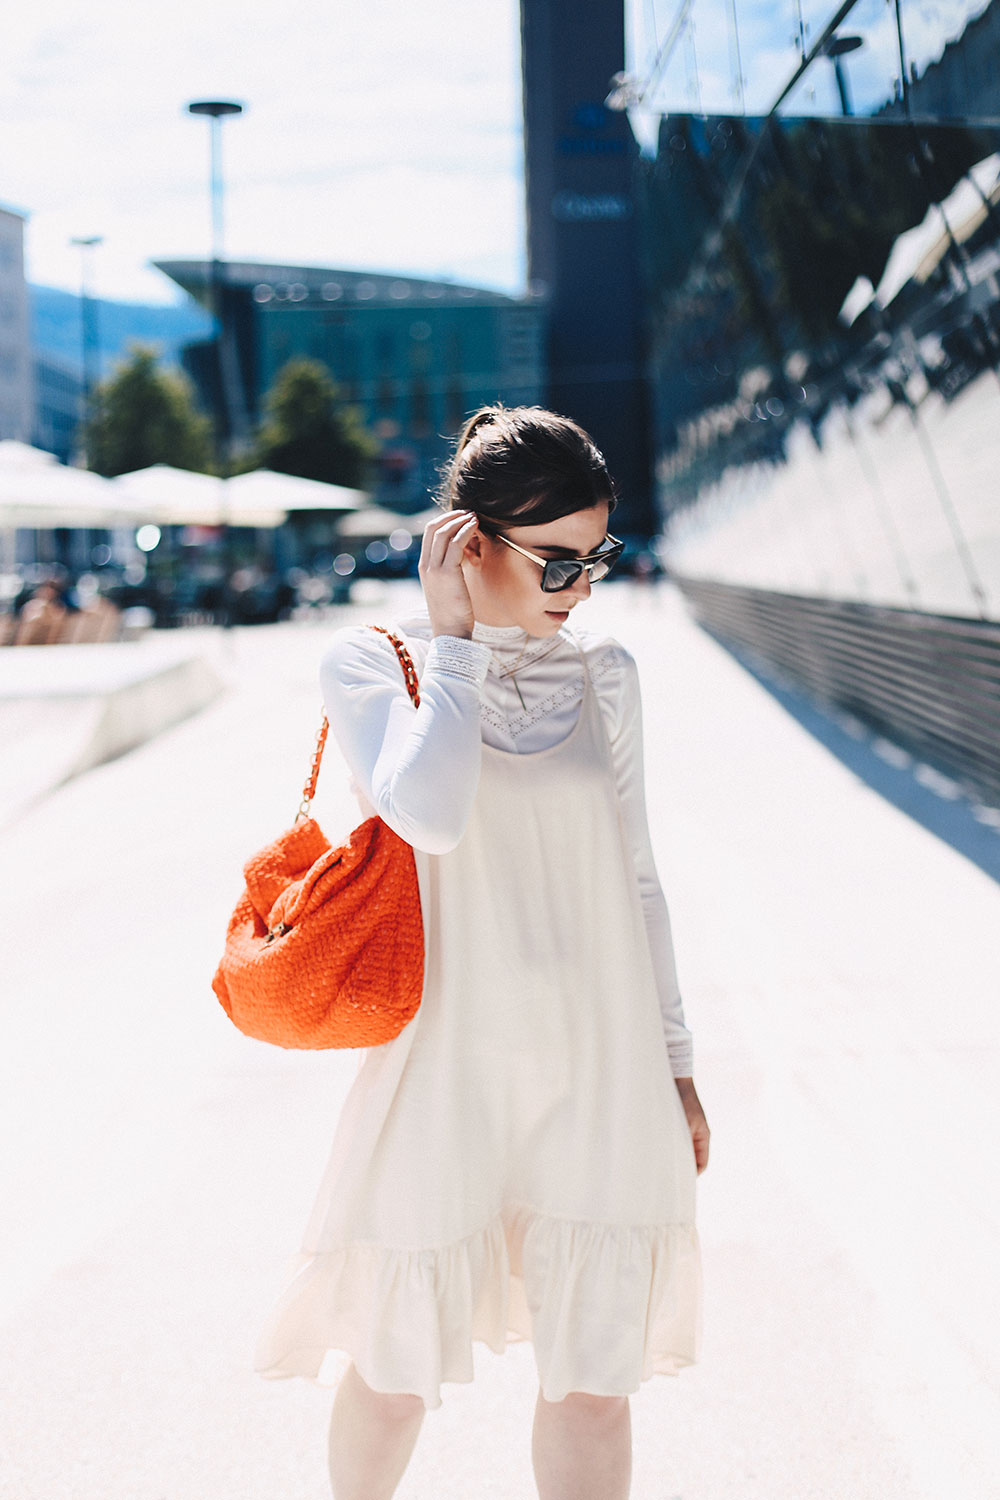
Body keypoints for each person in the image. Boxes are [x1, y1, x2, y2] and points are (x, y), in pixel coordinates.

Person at [253, 404, 710, 1500]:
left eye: (593, 558)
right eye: (557, 563)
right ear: (466, 545)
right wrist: (453, 643)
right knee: (396, 1366)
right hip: (446, 1062)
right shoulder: (376, 666)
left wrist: (676, 1062)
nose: (581, 588)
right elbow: (433, 816)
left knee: (595, 1376)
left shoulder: (607, 676)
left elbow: (638, 876)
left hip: (597, 1063)